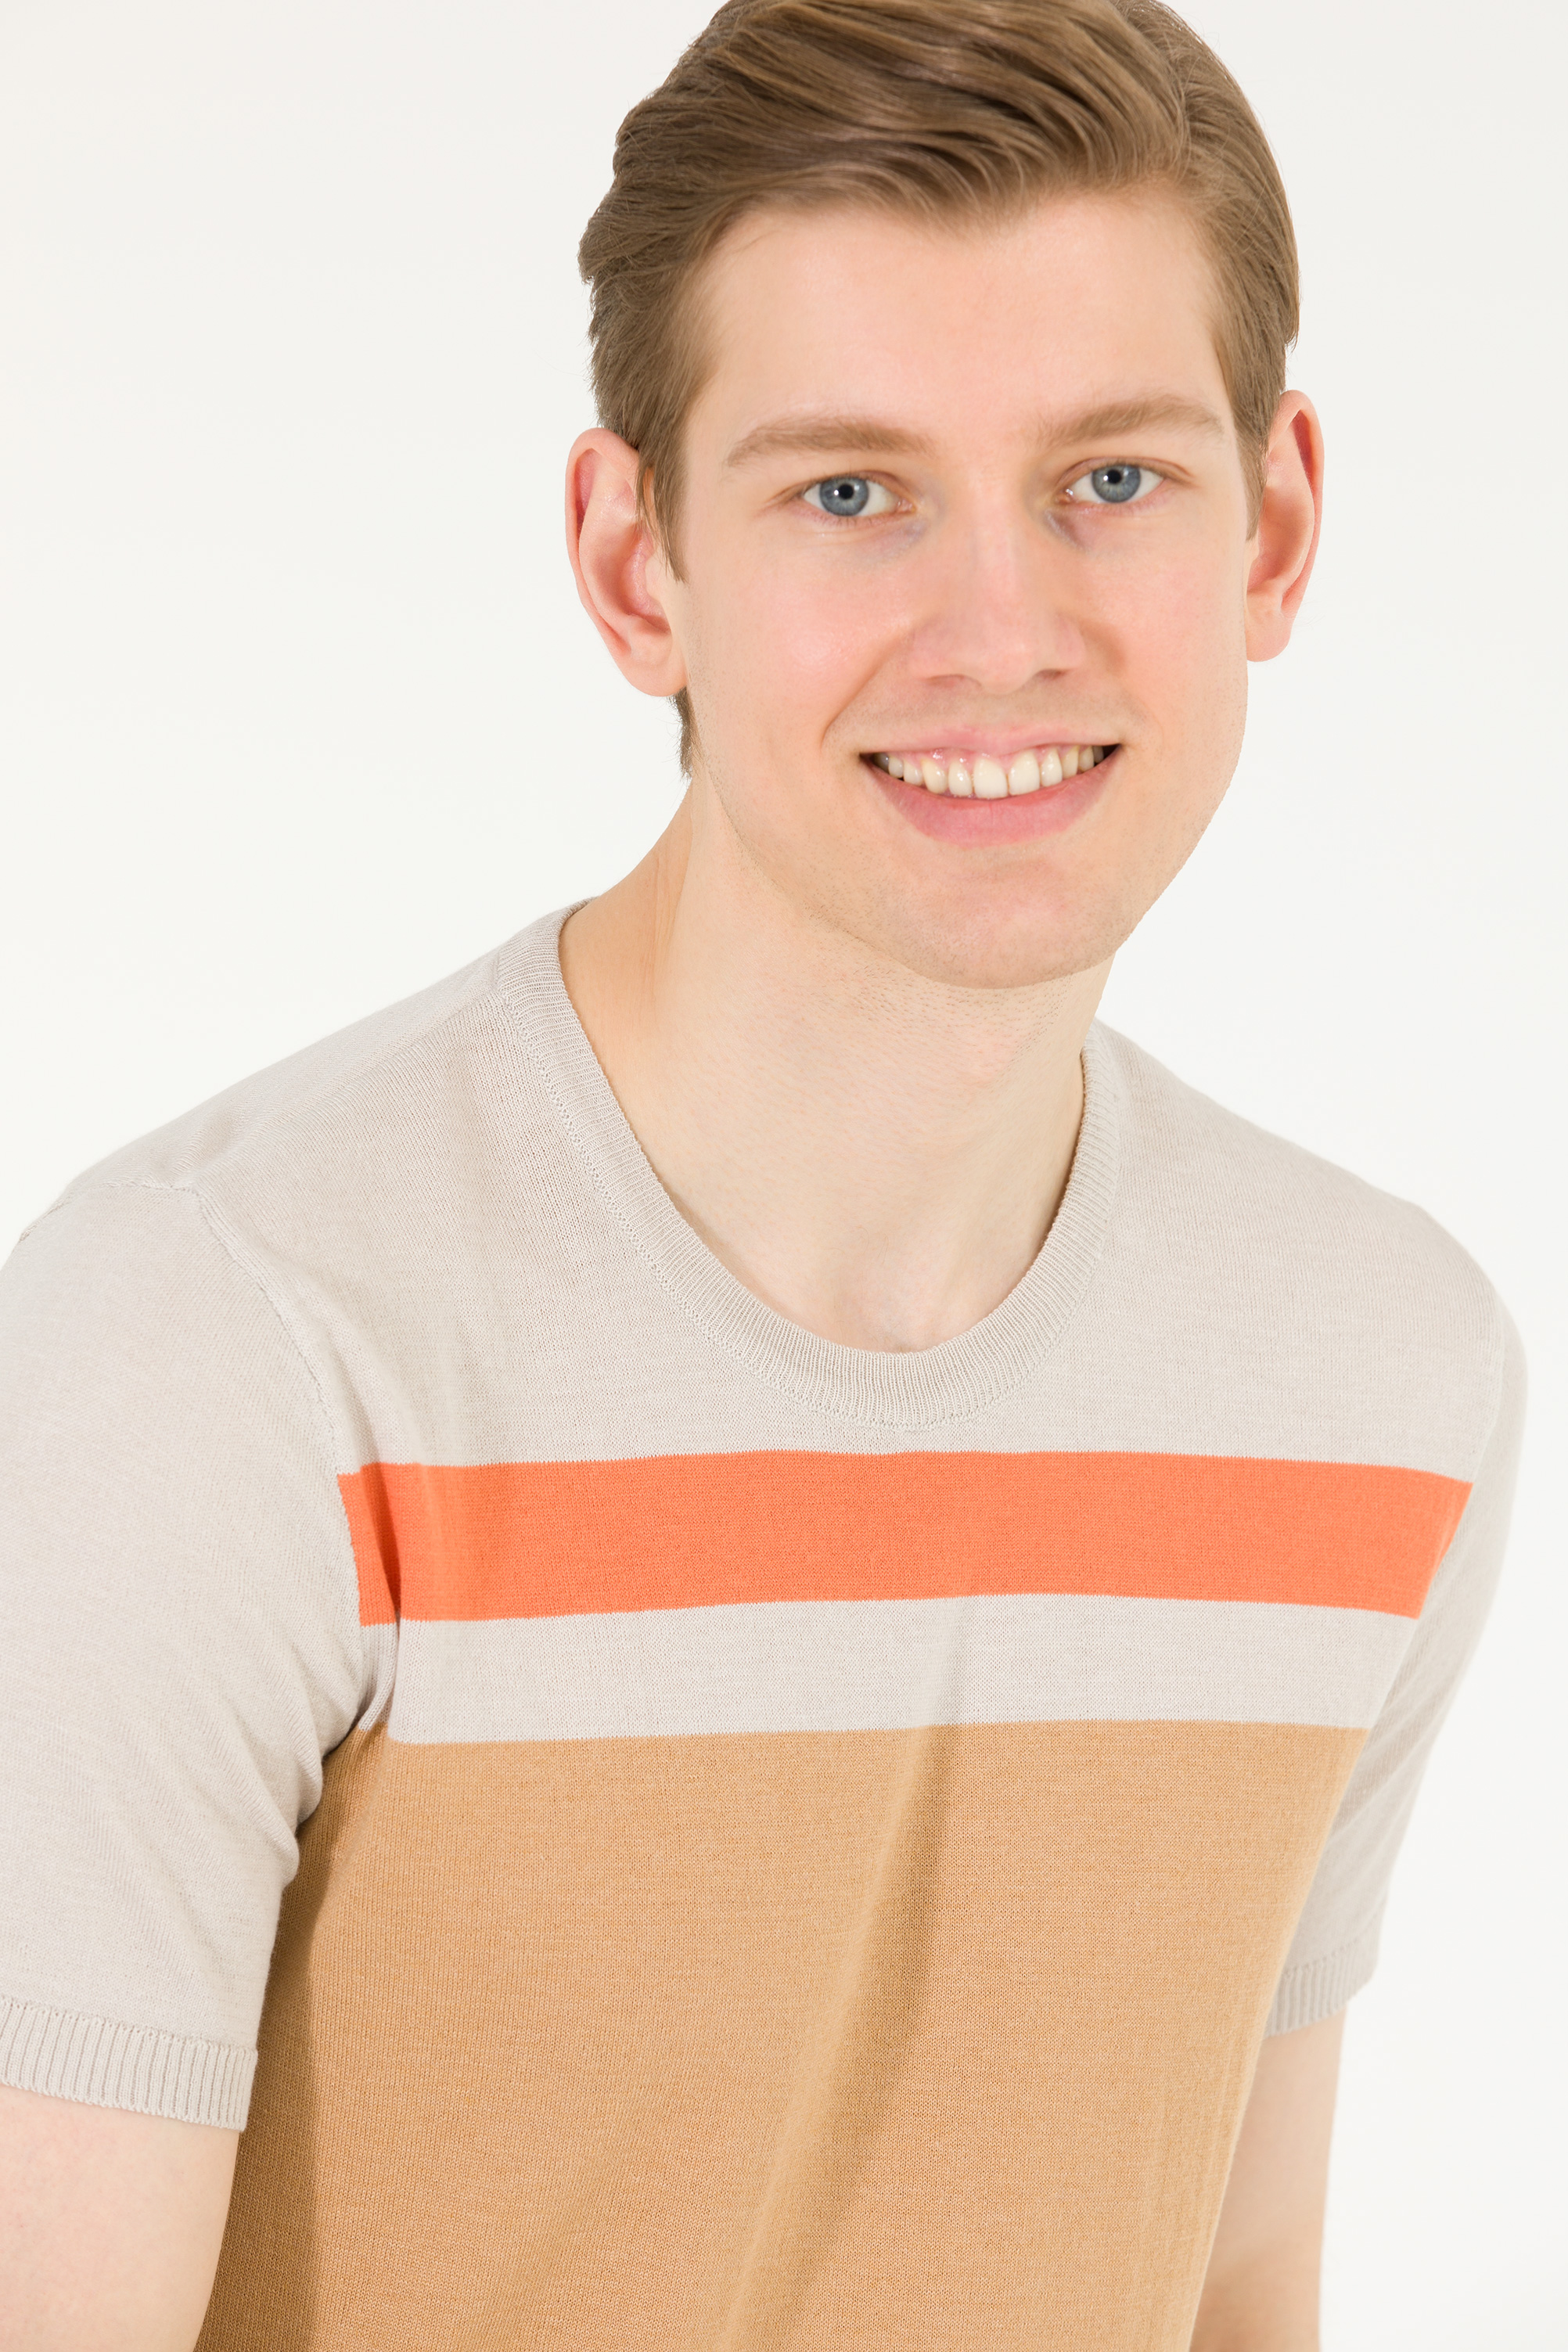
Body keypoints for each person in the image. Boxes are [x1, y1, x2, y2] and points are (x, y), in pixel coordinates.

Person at [0, 0, 1525, 2344]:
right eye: (849, 494)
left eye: (1113, 479)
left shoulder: (1376, 1377)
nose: (1001, 634)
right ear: (638, 568)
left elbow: (1228, 2281)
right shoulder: (223, 1352)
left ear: (1278, 522)